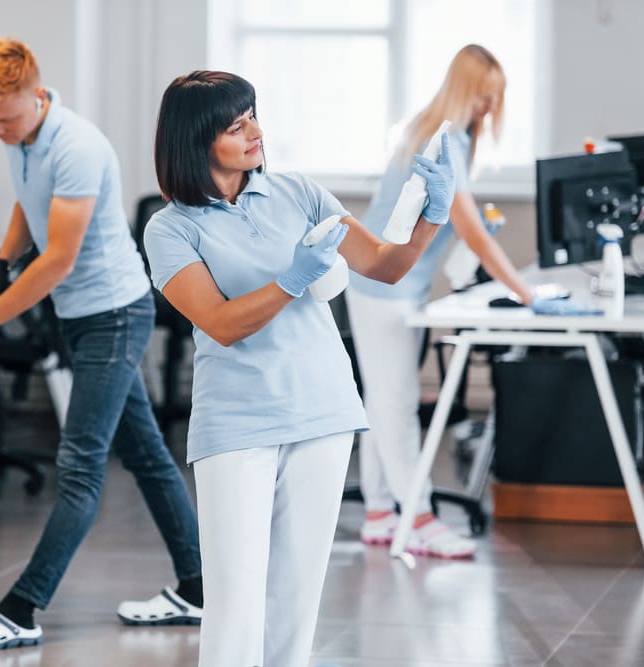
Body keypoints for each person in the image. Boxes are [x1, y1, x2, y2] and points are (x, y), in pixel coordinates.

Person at [144, 70, 455, 667]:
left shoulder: (300, 194)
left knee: (297, 600)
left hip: (323, 412)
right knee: (235, 603)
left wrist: (431, 216)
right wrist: (292, 280)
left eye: (254, 115)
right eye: (236, 126)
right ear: (195, 141)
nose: (256, 132)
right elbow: (222, 323)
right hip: (236, 426)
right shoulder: (172, 228)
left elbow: (386, 266)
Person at [0, 36, 203, 652]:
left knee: (81, 467)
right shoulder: (26, 137)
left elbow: (58, 259)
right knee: (147, 457)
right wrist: (1, 265)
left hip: (113, 315)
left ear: (36, 94)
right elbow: (27, 200)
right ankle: (198, 588)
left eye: (4, 120)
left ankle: (21, 608)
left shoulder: (78, 145)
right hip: (82, 318)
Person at [346, 44, 533, 559]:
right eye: (484, 99)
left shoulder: (441, 134)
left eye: (496, 100)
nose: (491, 109)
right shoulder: (442, 140)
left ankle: (382, 513)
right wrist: (527, 295)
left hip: (386, 284)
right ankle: (420, 518)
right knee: (397, 405)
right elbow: (473, 233)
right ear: (466, 93)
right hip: (382, 287)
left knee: (383, 401)